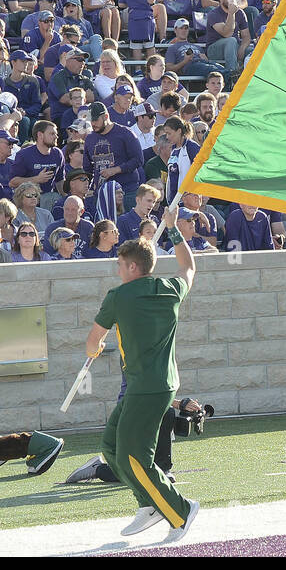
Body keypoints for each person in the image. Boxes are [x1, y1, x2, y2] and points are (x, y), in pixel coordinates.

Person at [82, 227, 201, 539]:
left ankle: (181, 510)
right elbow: (189, 267)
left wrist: (93, 349)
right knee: (111, 447)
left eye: (120, 264)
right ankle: (148, 504)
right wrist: (175, 232)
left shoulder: (118, 296)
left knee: (134, 456)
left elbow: (94, 340)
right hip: (156, 385)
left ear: (133, 266)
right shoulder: (171, 288)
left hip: (146, 388)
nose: (117, 269)